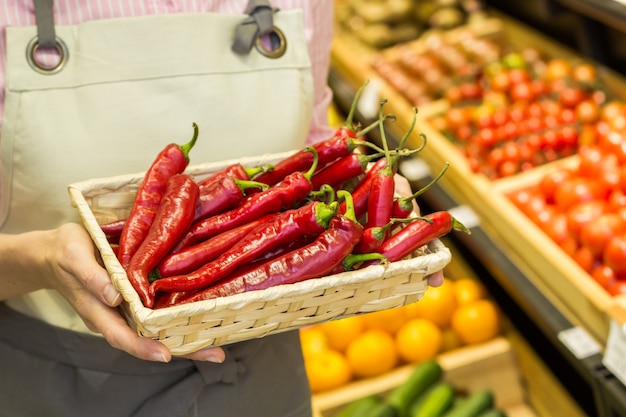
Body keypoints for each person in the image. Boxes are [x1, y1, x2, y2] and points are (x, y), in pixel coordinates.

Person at [0, 1, 443, 416]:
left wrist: (372, 198)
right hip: (65, 384)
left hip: (265, 378)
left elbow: (312, 158)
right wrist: (39, 261)